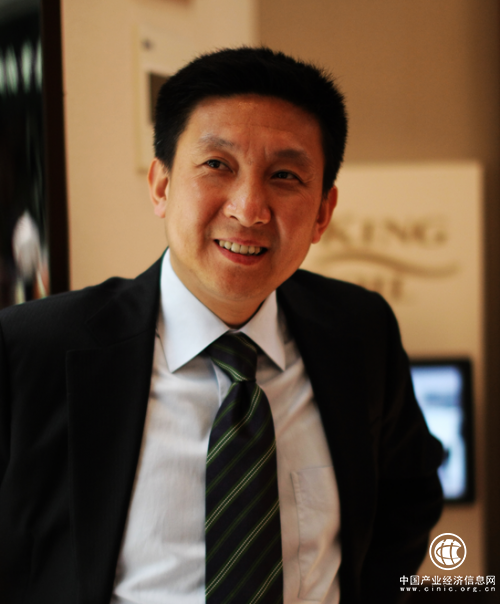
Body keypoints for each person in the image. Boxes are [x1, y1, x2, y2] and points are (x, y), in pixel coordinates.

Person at [0, 47, 443, 604]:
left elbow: (408, 498)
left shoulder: (360, 330)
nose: (249, 208)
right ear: (161, 185)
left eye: (285, 175)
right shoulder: (30, 350)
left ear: (323, 212)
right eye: (217, 165)